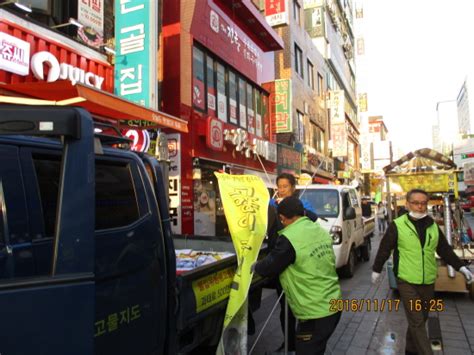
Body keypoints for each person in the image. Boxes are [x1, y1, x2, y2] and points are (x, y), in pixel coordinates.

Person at [372, 189, 473, 355]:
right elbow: (384, 248)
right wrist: (376, 269)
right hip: (406, 281)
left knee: (421, 319)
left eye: (423, 203)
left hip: (428, 281)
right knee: (417, 322)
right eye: (416, 203)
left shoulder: (432, 225)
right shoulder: (398, 225)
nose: (420, 206)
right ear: (408, 204)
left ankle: (410, 350)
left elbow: (444, 250)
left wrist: (461, 267)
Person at [254, 197, 342, 355]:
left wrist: (253, 266)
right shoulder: (318, 229)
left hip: (315, 312)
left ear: (282, 218)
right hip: (333, 304)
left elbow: (269, 267)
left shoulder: (289, 239)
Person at [267, 173, 318, 352]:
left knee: (301, 304)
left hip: (299, 262)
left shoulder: (302, 204)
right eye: (279, 186)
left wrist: (294, 209)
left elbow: (313, 217)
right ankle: (288, 341)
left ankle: (303, 341)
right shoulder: (272, 204)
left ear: (293, 188)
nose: (282, 190)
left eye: (285, 186)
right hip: (281, 260)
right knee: (285, 307)